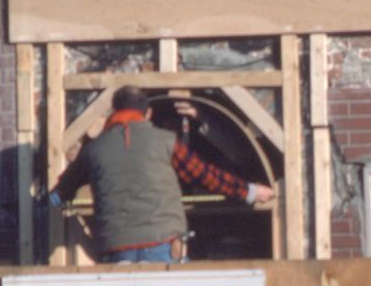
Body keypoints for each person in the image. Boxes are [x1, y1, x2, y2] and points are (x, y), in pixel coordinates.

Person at [48, 86, 276, 263]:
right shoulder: (166, 142)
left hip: (114, 249)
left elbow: (60, 193)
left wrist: (46, 201)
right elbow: (205, 175)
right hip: (161, 243)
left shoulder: (93, 149)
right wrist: (249, 191)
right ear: (147, 113)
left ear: (114, 111)